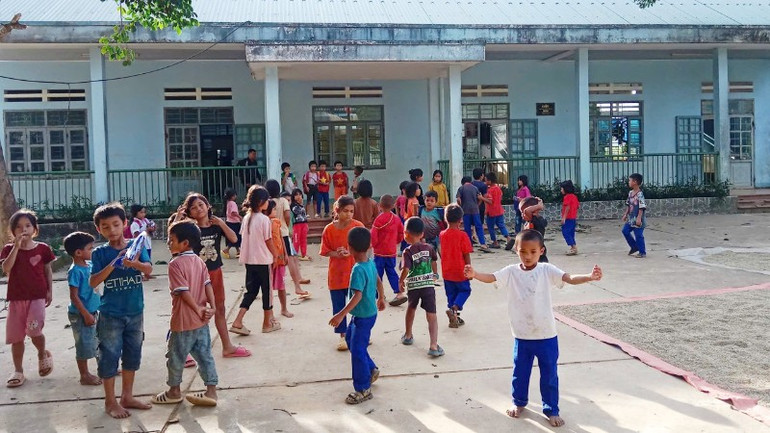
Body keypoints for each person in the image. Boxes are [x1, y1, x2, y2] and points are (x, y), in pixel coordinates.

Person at [464, 229, 603, 428]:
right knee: (520, 373)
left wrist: (589, 277)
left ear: (541, 250)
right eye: (523, 251)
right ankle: (518, 402)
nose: (527, 256)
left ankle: (551, 410)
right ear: (516, 251)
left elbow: (569, 278)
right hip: (522, 335)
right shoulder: (511, 272)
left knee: (549, 375)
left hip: (546, 335)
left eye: (532, 251)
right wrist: (475, 274)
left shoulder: (547, 270)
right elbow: (492, 278)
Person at [89, 203, 153, 418]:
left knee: (133, 355)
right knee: (109, 357)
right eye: (105, 227)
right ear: (99, 229)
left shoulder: (136, 245)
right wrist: (114, 264)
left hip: (135, 311)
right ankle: (110, 402)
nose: (112, 230)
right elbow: (93, 282)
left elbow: (148, 269)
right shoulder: (99, 253)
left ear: (125, 223)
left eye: (116, 224)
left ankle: (127, 396)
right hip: (110, 314)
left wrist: (133, 263)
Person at [172, 192, 251, 359]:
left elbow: (234, 238)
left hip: (215, 272)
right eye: (193, 208)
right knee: (188, 310)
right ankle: (181, 351)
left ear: (208, 207)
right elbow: (172, 245)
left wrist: (222, 223)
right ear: (189, 212)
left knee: (219, 308)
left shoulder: (215, 225)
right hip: (194, 276)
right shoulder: (190, 229)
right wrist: (178, 220)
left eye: (201, 205)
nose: (198, 209)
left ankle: (227, 346)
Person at [151, 220, 219, 407]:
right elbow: (207, 285)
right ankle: (211, 391)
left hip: (183, 322)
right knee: (205, 356)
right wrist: (211, 307)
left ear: (185, 243)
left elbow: (183, 291)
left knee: (175, 357)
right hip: (202, 321)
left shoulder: (175, 264)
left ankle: (174, 391)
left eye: (171, 240)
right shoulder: (199, 261)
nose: (168, 243)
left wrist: (196, 307)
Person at [329, 227, 386, 405]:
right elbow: (377, 279)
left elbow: (357, 296)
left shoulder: (358, 270)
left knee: (357, 350)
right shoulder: (369, 262)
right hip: (367, 314)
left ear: (350, 248)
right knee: (352, 342)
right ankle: (371, 369)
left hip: (362, 317)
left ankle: (363, 388)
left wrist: (340, 314)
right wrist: (381, 296)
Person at [1, 209, 55, 389]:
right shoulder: (9, 249)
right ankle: (18, 370)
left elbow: (47, 270)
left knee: (34, 331)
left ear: (34, 228)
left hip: (37, 296)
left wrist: (50, 290)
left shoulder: (43, 249)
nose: (23, 230)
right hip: (16, 298)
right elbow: (7, 268)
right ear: (12, 231)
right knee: (16, 337)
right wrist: (16, 246)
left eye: (27, 225)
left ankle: (42, 353)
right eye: (18, 227)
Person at [230, 186, 282, 336]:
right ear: (261, 202)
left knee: (251, 291)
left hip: (249, 260)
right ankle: (267, 322)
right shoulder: (264, 219)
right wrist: (276, 255)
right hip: (262, 260)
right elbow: (268, 240)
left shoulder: (246, 218)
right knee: (267, 291)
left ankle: (238, 320)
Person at [320, 196, 364, 351]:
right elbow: (324, 251)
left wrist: (351, 253)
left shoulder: (358, 226)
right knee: (339, 305)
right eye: (346, 211)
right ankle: (342, 336)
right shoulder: (329, 229)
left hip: (355, 273)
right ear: (337, 211)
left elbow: (365, 247)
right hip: (336, 274)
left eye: (352, 211)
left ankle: (361, 333)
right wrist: (336, 253)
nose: (349, 214)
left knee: (358, 305)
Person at [399, 217, 443, 357]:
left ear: (406, 234)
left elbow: (405, 269)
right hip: (428, 286)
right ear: (422, 234)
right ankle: (433, 346)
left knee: (411, 309)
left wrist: (401, 281)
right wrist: (435, 273)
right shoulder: (429, 248)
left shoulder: (408, 251)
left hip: (413, 287)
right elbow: (434, 260)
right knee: (432, 315)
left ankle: (408, 335)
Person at [63, 231, 101, 386]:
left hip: (95, 310)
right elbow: (74, 296)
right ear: (78, 253)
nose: (93, 251)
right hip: (81, 315)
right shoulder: (75, 271)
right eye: (90, 248)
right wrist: (85, 314)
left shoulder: (90, 265)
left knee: (99, 340)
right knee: (84, 344)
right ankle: (84, 375)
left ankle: (104, 367)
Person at [266, 180, 311, 298]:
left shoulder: (268, 202)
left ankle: (269, 287)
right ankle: (297, 286)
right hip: (283, 233)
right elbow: (287, 215)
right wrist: (285, 225)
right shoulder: (283, 201)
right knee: (290, 259)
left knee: (270, 260)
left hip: (271, 234)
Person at [439, 204, 473, 328]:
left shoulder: (442, 234)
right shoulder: (462, 236)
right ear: (461, 220)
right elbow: (466, 254)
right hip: (460, 270)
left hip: (447, 271)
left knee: (451, 293)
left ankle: (454, 315)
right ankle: (455, 309)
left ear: (445, 219)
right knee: (465, 290)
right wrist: (469, 269)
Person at [371, 195, 405, 304]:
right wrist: (395, 242)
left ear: (380, 206)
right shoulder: (396, 218)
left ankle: (378, 295)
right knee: (391, 272)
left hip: (379, 252)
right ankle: (399, 293)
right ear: (394, 205)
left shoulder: (378, 220)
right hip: (391, 251)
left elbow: (374, 236)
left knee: (377, 274)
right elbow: (401, 233)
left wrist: (374, 245)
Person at [264, 201, 293, 318]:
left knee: (281, 285)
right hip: (269, 259)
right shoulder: (264, 223)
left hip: (280, 258)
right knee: (268, 287)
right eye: (274, 209)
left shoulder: (276, 222)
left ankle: (284, 308)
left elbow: (281, 238)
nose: (276, 212)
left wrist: (286, 254)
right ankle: (269, 312)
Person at [456, 176, 491, 253]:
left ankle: (469, 246)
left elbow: (458, 199)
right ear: (470, 181)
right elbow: (480, 198)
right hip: (475, 211)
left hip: (466, 211)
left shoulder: (461, 188)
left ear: (463, 182)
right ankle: (482, 244)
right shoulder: (475, 188)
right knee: (479, 227)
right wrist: (477, 205)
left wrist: (461, 206)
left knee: (467, 228)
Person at [513, 197, 549, 262]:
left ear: (534, 211)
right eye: (521, 213)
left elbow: (527, 211)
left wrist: (539, 205)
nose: (522, 215)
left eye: (523, 213)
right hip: (530, 251)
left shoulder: (537, 220)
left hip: (537, 252)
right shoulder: (528, 222)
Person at [622, 173, 647, 258]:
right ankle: (634, 247)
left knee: (638, 235)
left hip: (638, 219)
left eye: (630, 180)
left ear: (635, 182)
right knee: (625, 231)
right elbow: (629, 205)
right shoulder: (630, 193)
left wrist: (639, 218)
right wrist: (626, 214)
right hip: (631, 218)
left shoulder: (640, 194)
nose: (628, 182)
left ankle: (642, 252)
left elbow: (642, 207)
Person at [129, 204, 155, 280]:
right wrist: (147, 231)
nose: (143, 214)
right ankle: (140, 274)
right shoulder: (135, 224)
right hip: (141, 246)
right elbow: (136, 235)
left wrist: (152, 229)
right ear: (135, 213)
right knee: (141, 260)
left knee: (148, 259)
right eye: (141, 212)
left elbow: (150, 232)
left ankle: (147, 274)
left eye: (144, 212)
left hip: (148, 244)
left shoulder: (146, 221)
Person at [485, 172, 511, 249]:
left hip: (492, 211)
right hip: (499, 210)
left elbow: (490, 201)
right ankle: (508, 238)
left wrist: (482, 198)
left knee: (491, 227)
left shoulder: (490, 190)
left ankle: (495, 242)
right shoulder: (498, 188)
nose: (485, 182)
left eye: (486, 180)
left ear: (490, 181)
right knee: (501, 225)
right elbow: (500, 198)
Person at [560, 180, 579, 256]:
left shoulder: (567, 197)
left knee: (566, 232)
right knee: (571, 233)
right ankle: (572, 247)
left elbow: (567, 207)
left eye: (562, 189)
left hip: (568, 218)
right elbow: (577, 206)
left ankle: (574, 247)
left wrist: (564, 218)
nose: (561, 190)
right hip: (573, 218)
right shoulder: (574, 197)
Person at [291, 188, 311, 261]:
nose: (298, 196)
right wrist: (300, 204)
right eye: (296, 195)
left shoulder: (301, 205)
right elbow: (297, 212)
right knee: (296, 240)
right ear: (293, 196)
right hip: (297, 225)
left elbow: (304, 215)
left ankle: (304, 254)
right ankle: (294, 255)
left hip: (304, 224)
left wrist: (306, 224)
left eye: (299, 194)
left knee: (303, 240)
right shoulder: (293, 205)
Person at [222, 189, 242, 259]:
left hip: (229, 222)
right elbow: (233, 212)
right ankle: (226, 250)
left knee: (234, 237)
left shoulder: (228, 203)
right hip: (234, 222)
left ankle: (238, 251)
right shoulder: (233, 203)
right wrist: (240, 217)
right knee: (236, 237)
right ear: (233, 196)